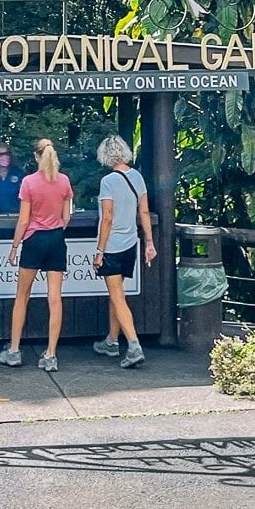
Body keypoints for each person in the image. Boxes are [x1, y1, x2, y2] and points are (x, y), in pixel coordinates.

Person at [0, 138, 72, 371]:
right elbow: (67, 217)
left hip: (34, 239)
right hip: (56, 239)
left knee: (22, 296)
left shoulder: (28, 182)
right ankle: (51, 354)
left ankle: (14, 350)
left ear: (36, 156)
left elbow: (23, 219)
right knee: (55, 299)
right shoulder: (64, 182)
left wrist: (14, 246)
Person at [92, 134, 156, 368]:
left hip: (112, 246)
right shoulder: (137, 177)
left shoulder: (108, 181)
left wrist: (99, 250)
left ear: (105, 155)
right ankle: (111, 340)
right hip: (131, 243)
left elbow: (107, 218)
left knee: (117, 297)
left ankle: (133, 345)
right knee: (118, 294)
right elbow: (145, 213)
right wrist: (149, 242)